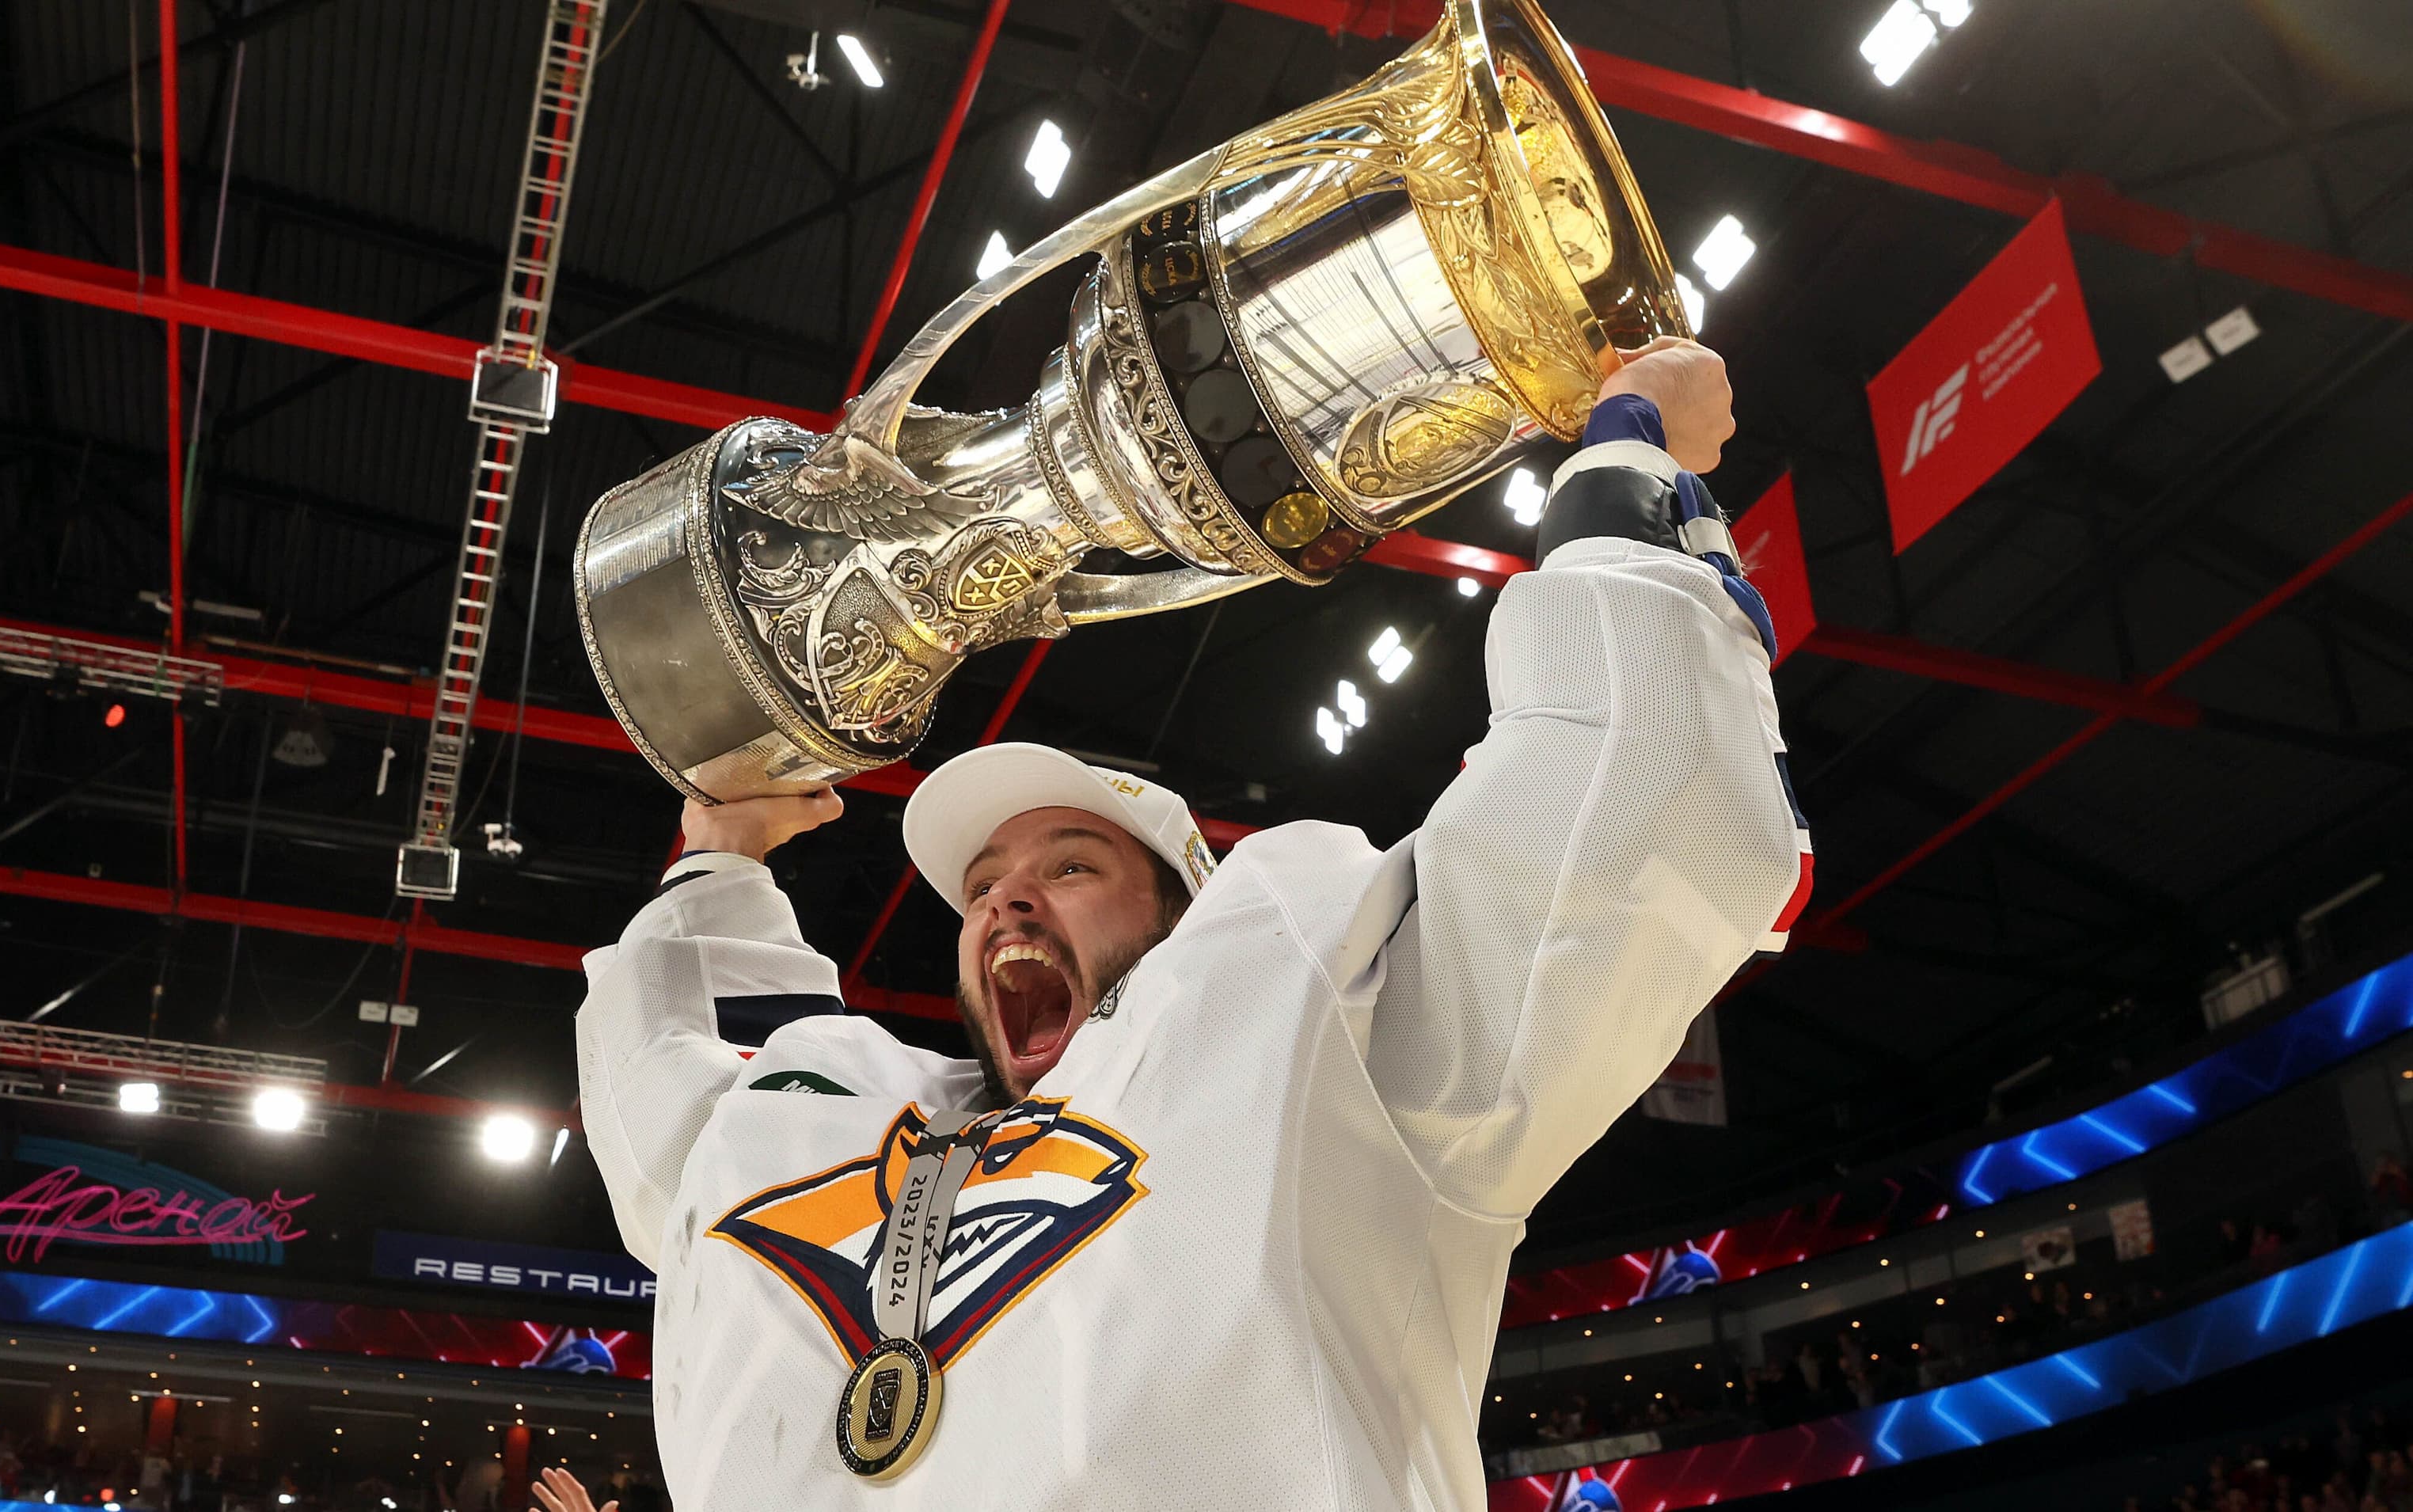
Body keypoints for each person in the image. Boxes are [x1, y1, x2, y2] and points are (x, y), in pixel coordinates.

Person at [578, 339, 1803, 1506]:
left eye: (1072, 861)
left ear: (1182, 917)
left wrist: (1633, 470)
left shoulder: (1303, 1042)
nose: (1007, 894)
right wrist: (721, 856)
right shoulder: (849, 1124)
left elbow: (1626, 809)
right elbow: (698, 1118)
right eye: (987, 877)